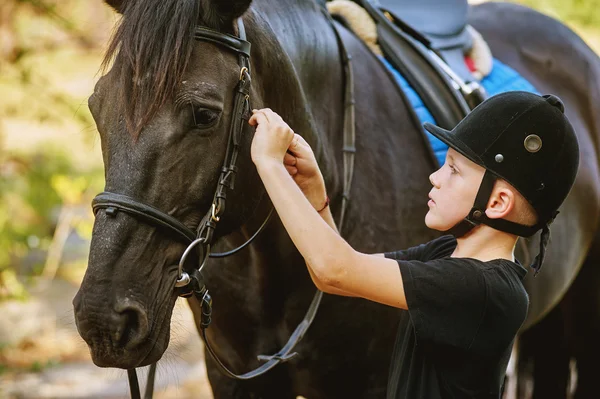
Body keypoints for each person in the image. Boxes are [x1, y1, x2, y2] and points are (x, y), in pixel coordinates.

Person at [248, 91, 580, 398]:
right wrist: (313, 191)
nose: (435, 177)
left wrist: (269, 163)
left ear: (497, 203)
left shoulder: (483, 291)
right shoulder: (448, 253)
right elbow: (336, 273)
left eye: (453, 169)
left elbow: (334, 268)